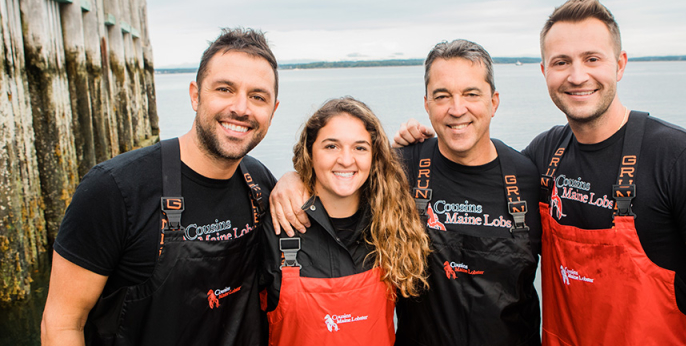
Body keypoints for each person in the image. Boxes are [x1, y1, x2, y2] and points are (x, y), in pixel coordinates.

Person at [396, 0, 686, 345]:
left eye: (592, 59)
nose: (577, 75)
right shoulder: (542, 156)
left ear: (620, 64)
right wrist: (417, 144)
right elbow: (478, 175)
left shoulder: (680, 158)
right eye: (562, 62)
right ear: (545, 72)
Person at [270, 40, 541, 346]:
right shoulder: (403, 165)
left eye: (471, 94)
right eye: (442, 96)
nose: (456, 109)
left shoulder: (528, 175)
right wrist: (291, 179)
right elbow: (344, 174)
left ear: (494, 102)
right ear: (427, 105)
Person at [41, 28, 281, 346]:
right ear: (195, 95)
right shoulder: (114, 189)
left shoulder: (261, 185)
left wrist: (294, 182)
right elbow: (62, 323)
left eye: (257, 97)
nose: (241, 107)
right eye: (225, 89)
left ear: (273, 110)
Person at [261, 97, 430, 345]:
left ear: (375, 156)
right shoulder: (278, 225)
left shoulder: (392, 225)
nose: (346, 160)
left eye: (360, 148)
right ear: (310, 152)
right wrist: (290, 177)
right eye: (331, 146)